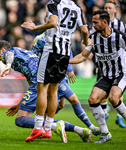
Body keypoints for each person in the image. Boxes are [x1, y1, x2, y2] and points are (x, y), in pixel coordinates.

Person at [0, 40, 96, 143]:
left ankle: (55, 126)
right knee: (41, 118)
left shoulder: (10, 52)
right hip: (46, 79)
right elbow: (31, 86)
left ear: (2, 50)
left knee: (20, 120)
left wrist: (8, 65)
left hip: (40, 80)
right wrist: (20, 104)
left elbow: (9, 54)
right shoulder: (23, 54)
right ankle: (80, 130)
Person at [21, 0, 89, 142]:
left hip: (51, 50)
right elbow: (84, 30)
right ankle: (47, 129)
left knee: (42, 88)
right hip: (65, 52)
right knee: (54, 90)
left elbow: (52, 22)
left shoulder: (54, 3)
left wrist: (35, 28)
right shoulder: (76, 7)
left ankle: (37, 128)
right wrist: (85, 42)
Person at [69, 10, 126, 143]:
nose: (92, 25)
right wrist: (66, 61)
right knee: (93, 99)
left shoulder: (120, 37)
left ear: (104, 22)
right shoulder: (93, 38)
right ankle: (105, 133)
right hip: (105, 76)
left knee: (113, 98)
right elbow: (82, 56)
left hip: (121, 73)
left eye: (95, 22)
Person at [91, 0, 126, 128]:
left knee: (115, 95)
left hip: (120, 67)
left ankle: (118, 117)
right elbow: (88, 42)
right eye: (105, 7)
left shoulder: (121, 27)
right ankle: (104, 115)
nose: (108, 9)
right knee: (97, 97)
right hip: (103, 66)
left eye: (110, 7)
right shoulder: (95, 32)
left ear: (115, 10)